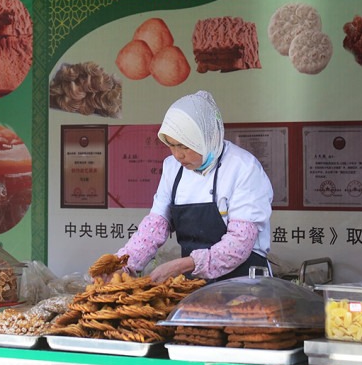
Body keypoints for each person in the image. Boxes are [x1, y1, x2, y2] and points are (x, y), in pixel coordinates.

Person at [112, 90, 273, 283]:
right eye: (171, 145)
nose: (178, 155)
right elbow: (155, 226)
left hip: (244, 284)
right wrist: (125, 263)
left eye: (185, 146)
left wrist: (184, 264)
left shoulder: (243, 167)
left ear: (207, 138)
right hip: (195, 287)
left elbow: (239, 243)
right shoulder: (172, 168)